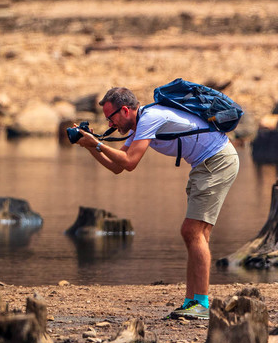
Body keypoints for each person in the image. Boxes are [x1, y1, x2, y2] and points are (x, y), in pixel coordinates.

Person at [75, 85, 240, 320]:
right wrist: (92, 147)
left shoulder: (151, 117)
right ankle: (192, 301)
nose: (110, 125)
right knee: (196, 234)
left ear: (124, 110)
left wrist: (98, 144)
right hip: (205, 164)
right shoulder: (139, 125)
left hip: (217, 161)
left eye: (111, 119)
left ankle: (201, 303)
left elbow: (130, 161)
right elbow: (117, 167)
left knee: (192, 231)